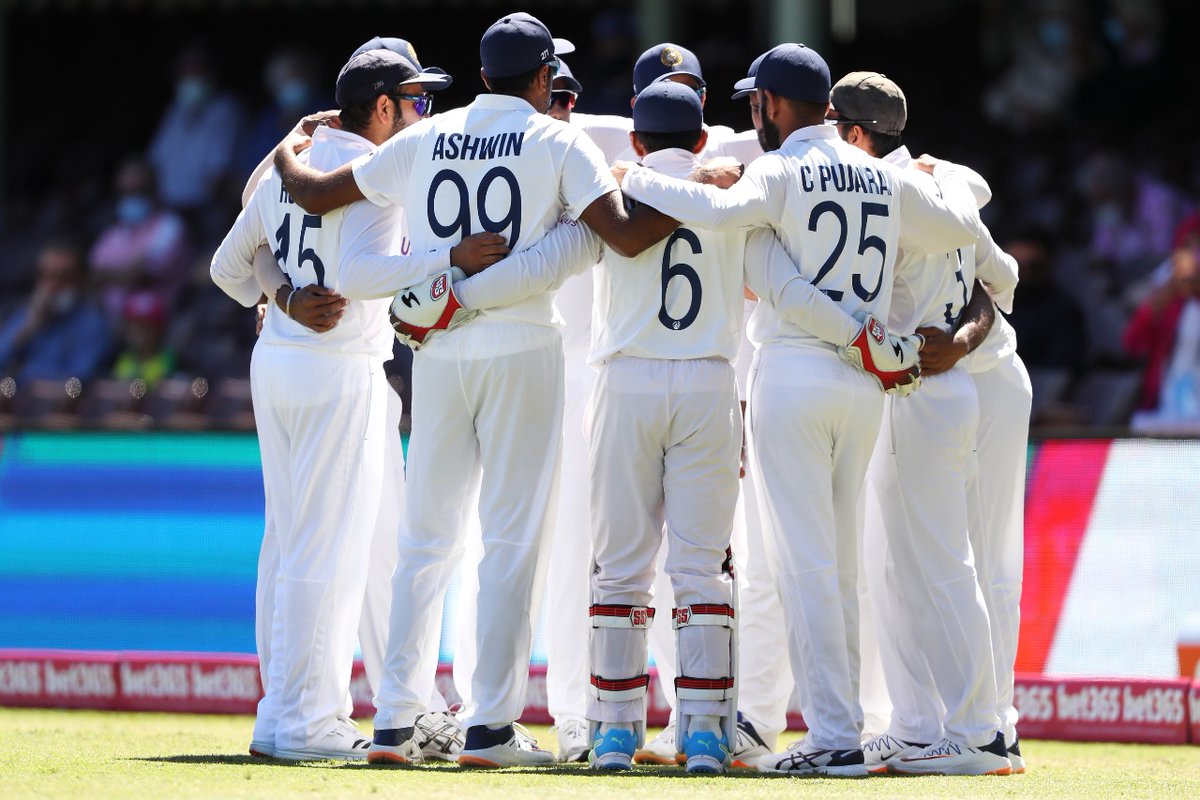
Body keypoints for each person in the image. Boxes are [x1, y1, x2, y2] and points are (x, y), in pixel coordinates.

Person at [271, 11, 680, 768]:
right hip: (523, 344)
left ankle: (396, 720)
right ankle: (489, 725)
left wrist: (286, 154)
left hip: (440, 347)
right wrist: (691, 196)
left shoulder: (429, 135)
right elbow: (622, 234)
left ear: (484, 75)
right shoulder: (558, 139)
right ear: (539, 80)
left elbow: (317, 194)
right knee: (511, 538)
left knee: (426, 539)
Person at [619, 42, 986, 776]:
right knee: (840, 565)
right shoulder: (879, 173)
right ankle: (841, 725)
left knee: (804, 568)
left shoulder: (779, 169)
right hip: (864, 385)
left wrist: (640, 176)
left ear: (773, 105)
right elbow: (956, 230)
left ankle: (833, 737)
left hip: (793, 372)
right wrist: (930, 182)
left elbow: (716, 212)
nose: (754, 113)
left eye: (757, 102)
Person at [209, 48, 463, 762]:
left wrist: (283, 294)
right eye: (415, 101)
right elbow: (366, 272)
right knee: (329, 552)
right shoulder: (374, 174)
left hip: (279, 361)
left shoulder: (297, 159)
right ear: (381, 106)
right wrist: (450, 262)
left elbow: (227, 268)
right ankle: (311, 723)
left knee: (289, 547)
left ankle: (278, 714)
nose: (423, 114)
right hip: (339, 365)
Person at [831, 71, 1017, 776]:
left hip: (923, 389)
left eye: (831, 125)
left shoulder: (892, 191)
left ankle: (979, 731)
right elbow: (996, 271)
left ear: (853, 133)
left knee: (939, 566)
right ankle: (920, 728)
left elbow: (993, 279)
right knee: (901, 569)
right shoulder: (940, 181)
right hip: (921, 389)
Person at [147, 41, 246, 245]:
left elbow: (220, 172)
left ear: (210, 76)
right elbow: (154, 161)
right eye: (185, 75)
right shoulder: (175, 111)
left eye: (196, 74)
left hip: (205, 208)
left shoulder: (226, 110)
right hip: (168, 208)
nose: (190, 80)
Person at [88, 155, 192, 323]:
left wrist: (110, 274)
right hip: (112, 321)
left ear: (154, 191)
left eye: (138, 191)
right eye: (126, 193)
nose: (131, 198)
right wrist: (127, 270)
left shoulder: (170, 226)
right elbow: (92, 275)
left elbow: (140, 273)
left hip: (157, 323)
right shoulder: (115, 232)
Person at [0, 238, 113, 385]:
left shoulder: (94, 325)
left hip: (58, 405)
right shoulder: (27, 316)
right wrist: (29, 327)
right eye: (47, 276)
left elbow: (78, 380)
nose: (53, 286)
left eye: (63, 277)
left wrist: (24, 375)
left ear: (81, 281)